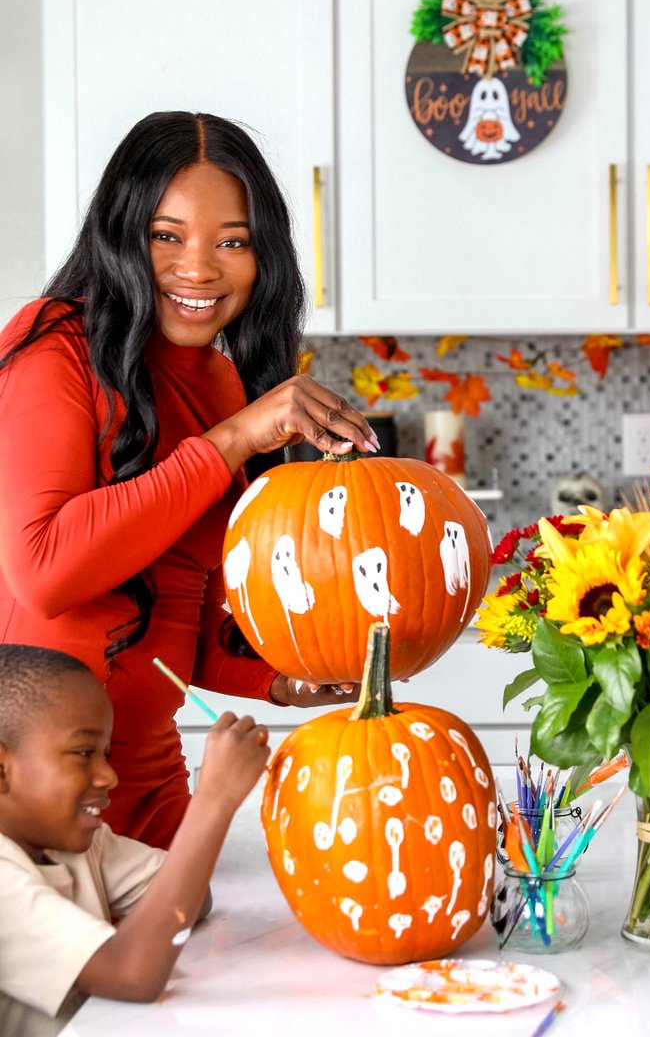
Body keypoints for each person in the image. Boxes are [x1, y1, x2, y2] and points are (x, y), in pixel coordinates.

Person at [0, 111, 378, 849]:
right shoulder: (53, 347)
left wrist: (280, 679)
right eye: (165, 235)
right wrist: (233, 440)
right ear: (120, 234)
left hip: (153, 795)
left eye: (232, 242)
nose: (199, 268)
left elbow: (184, 614)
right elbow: (43, 572)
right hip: (40, 805)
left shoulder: (219, 382)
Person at [0, 643, 271, 1035]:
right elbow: (132, 975)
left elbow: (195, 903)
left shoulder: (78, 845)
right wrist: (214, 801)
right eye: (83, 752)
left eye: (105, 754)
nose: (108, 776)